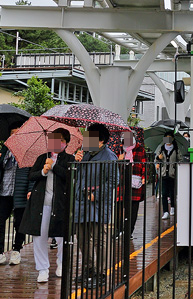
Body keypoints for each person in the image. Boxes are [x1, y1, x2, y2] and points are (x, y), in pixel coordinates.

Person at [19, 129, 73, 283]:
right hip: (41, 204)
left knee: (63, 236)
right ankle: (42, 269)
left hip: (61, 204)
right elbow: (31, 175)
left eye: (61, 140)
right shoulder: (42, 157)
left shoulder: (70, 159)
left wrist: (54, 166)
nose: (57, 143)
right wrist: (43, 171)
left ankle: (62, 264)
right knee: (39, 236)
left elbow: (69, 176)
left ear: (66, 143)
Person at [73, 124, 117, 289]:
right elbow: (78, 177)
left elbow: (113, 180)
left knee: (99, 240)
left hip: (97, 205)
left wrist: (96, 195)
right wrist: (76, 162)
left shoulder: (109, 156)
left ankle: (101, 273)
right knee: (83, 239)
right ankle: (88, 269)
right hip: (81, 204)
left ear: (100, 141)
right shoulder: (85, 156)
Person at [0, 122, 30, 267]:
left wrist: (30, 190)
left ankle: (16, 250)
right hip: (4, 192)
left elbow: (31, 173)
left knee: (19, 223)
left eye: (18, 133)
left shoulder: (27, 152)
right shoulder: (4, 150)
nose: (15, 136)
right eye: (12, 134)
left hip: (19, 192)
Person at [118, 129, 146, 235]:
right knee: (120, 205)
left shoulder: (140, 149)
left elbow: (144, 165)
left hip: (135, 181)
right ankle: (119, 229)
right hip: (121, 181)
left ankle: (129, 231)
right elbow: (113, 166)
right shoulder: (120, 149)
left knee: (133, 207)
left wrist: (144, 178)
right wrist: (119, 160)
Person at [154, 133, 179, 220]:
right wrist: (158, 158)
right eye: (166, 138)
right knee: (164, 193)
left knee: (172, 192)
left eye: (169, 138)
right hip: (163, 173)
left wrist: (175, 166)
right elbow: (156, 159)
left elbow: (180, 159)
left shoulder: (176, 149)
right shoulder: (161, 148)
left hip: (172, 174)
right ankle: (165, 211)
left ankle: (172, 207)